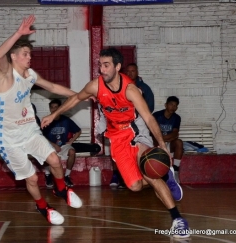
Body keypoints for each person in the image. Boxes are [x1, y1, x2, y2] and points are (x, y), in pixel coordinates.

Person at [41, 48, 190, 238]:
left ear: (117, 67)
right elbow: (76, 99)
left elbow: (149, 118)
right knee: (135, 186)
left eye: (106, 65)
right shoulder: (95, 86)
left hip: (135, 131)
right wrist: (54, 114)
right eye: (100, 65)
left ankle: (177, 219)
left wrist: (161, 145)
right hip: (116, 137)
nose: (102, 69)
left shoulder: (130, 90)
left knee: (148, 171)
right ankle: (165, 176)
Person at [0, 15, 82, 225]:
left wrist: (78, 95)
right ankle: (43, 207)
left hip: (29, 130)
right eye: (25, 54)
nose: (29, 57)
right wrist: (18, 34)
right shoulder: (5, 75)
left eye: (29, 54)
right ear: (13, 57)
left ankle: (61, 189)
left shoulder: (30, 75)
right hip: (7, 138)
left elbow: (51, 87)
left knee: (54, 160)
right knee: (32, 178)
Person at [106, 63, 155, 189]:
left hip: (138, 124)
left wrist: (135, 113)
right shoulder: (119, 86)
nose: (130, 73)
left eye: (133, 71)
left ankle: (156, 174)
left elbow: (149, 109)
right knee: (118, 150)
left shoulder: (144, 88)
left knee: (142, 154)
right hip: (122, 126)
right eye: (128, 71)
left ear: (137, 72)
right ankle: (118, 175)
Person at [43, 99, 82, 188]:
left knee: (72, 151)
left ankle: (67, 176)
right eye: (52, 107)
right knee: (44, 152)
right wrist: (53, 145)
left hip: (63, 145)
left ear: (60, 108)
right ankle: (48, 175)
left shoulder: (66, 120)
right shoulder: (46, 120)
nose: (54, 109)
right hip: (50, 146)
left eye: (56, 107)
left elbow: (78, 131)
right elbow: (41, 136)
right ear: (49, 109)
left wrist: (71, 141)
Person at [153, 96, 183, 184]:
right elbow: (153, 133)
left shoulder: (177, 118)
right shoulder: (157, 115)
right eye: (171, 104)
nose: (173, 107)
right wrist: (163, 139)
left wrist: (164, 138)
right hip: (157, 142)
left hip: (169, 142)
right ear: (166, 105)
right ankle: (159, 173)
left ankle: (176, 170)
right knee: (154, 139)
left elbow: (175, 134)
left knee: (179, 142)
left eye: (175, 106)